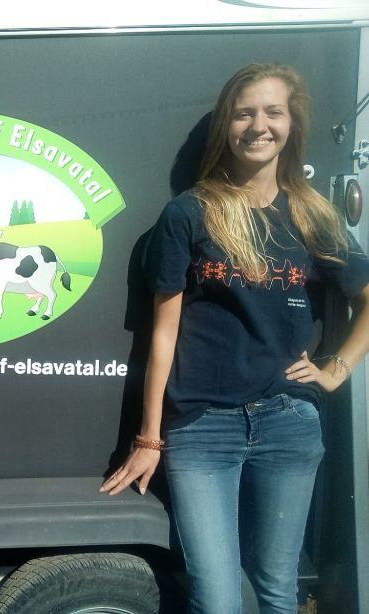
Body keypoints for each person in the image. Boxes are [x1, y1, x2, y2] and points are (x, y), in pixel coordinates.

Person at [100, 63, 369, 613]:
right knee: (218, 599)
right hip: (203, 427)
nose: (258, 125)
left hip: (288, 422)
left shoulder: (314, 216)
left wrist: (336, 370)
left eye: (273, 112)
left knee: (276, 589)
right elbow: (162, 335)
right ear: (227, 124)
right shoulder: (188, 214)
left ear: (292, 124)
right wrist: (149, 437)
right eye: (244, 113)